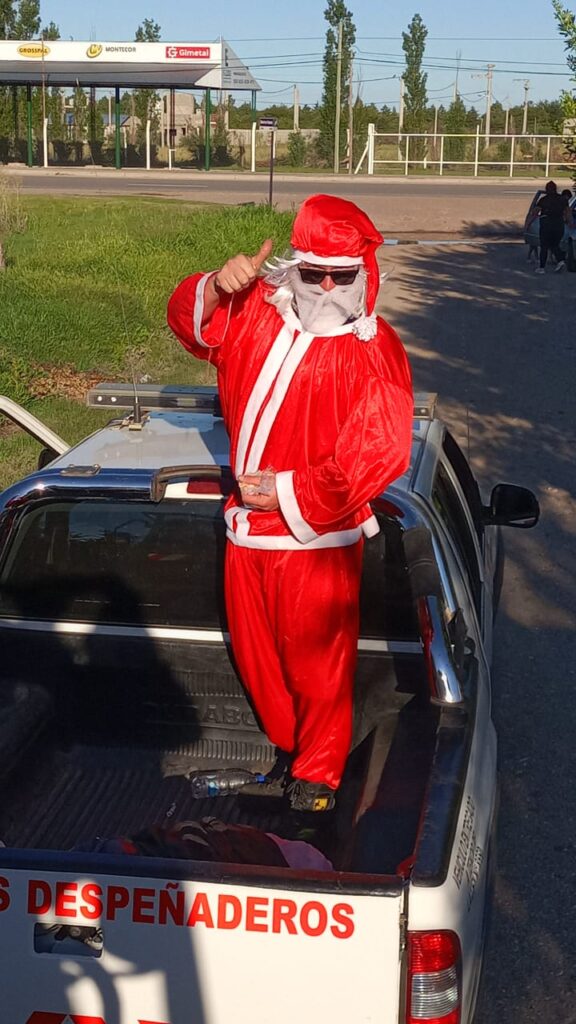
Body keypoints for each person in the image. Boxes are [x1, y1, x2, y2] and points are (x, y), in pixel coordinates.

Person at [167, 194, 413, 813]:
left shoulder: (374, 348)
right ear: (296, 267)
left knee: (318, 670)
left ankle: (317, 778)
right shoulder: (255, 313)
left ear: (363, 274)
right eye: (314, 272)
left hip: (316, 543)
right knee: (260, 666)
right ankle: (291, 752)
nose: (327, 287)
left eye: (342, 276)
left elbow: (379, 453)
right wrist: (215, 286)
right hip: (244, 534)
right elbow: (190, 327)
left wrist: (284, 490)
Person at [535, 180, 569, 274]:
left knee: (544, 246)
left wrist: (532, 218)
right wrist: (568, 221)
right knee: (554, 244)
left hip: (546, 224)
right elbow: (568, 211)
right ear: (556, 189)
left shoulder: (543, 200)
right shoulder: (563, 199)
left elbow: (535, 211)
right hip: (559, 224)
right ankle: (561, 261)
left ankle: (541, 268)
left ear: (546, 189)